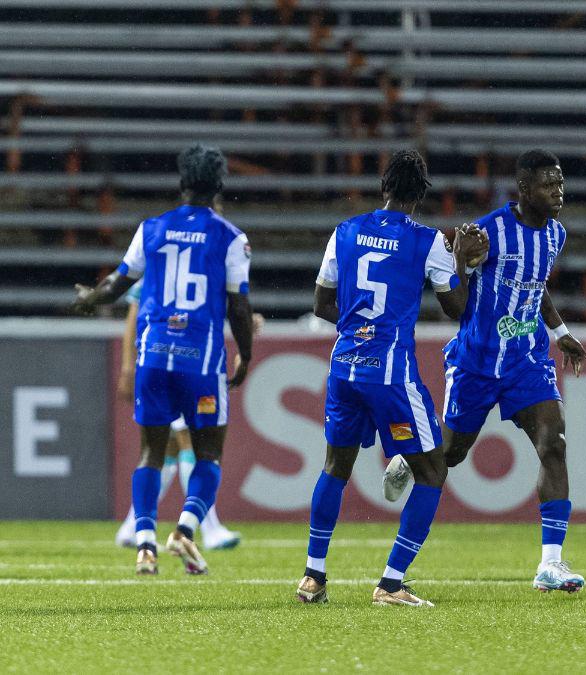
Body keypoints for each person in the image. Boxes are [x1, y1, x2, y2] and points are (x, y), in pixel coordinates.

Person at [295, 149, 488, 607]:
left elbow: (322, 304)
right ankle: (391, 582)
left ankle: (312, 576)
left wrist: (357, 328)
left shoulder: (345, 231)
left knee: (334, 468)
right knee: (433, 470)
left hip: (344, 367)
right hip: (391, 373)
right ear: (421, 195)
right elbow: (457, 309)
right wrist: (464, 263)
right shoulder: (427, 241)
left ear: (383, 188)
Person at [70, 144, 255, 576]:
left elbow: (118, 283)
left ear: (182, 182)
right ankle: (186, 531)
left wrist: (90, 299)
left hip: (153, 356)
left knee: (151, 453)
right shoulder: (230, 237)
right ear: (219, 184)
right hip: (200, 360)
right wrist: (245, 353)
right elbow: (239, 306)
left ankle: (145, 544)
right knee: (208, 453)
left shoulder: (151, 229)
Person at [431, 149, 586, 594]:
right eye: (547, 184)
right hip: (478, 361)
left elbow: (535, 288)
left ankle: (551, 564)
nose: (558, 192)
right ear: (523, 189)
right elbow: (456, 304)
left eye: (560, 183)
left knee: (553, 441)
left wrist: (560, 334)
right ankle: (413, 456)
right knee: (450, 455)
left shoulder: (556, 235)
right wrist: (461, 261)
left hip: (527, 359)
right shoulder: (487, 233)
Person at [114, 281, 244, 551]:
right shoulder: (183, 259)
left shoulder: (158, 257)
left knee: (170, 447)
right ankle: (208, 529)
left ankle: (131, 526)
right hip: (181, 359)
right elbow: (134, 314)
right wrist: (127, 367)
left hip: (168, 359)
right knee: (189, 442)